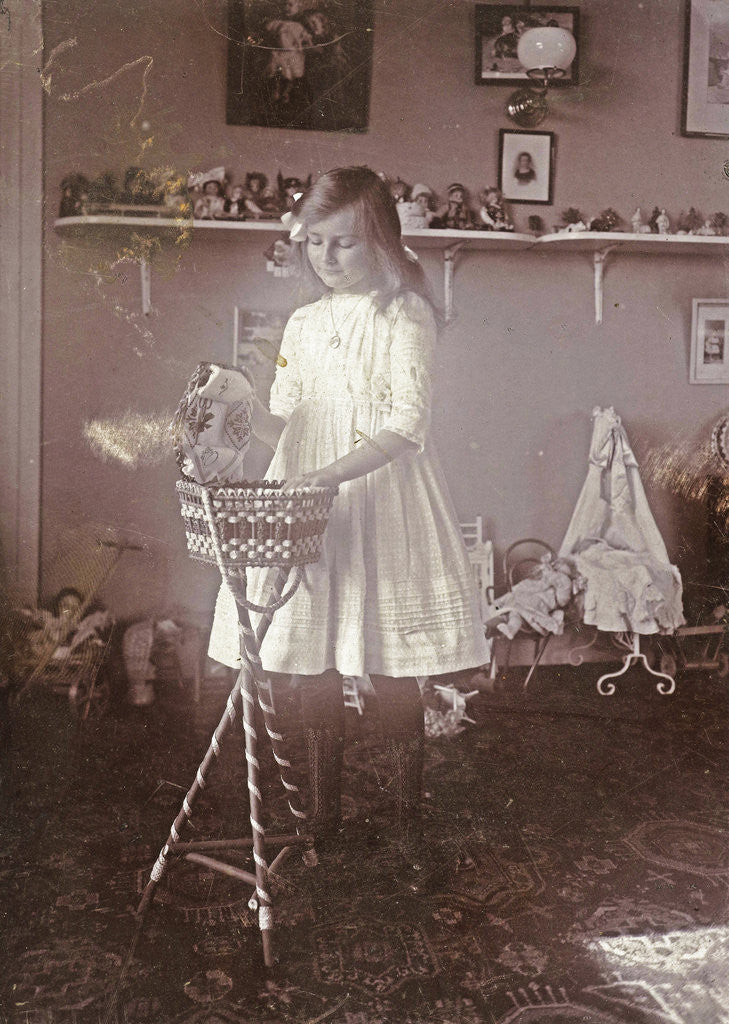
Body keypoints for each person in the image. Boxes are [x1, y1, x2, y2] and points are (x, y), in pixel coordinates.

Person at [208, 166, 489, 886]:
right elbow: (289, 421)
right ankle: (320, 824)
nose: (326, 259)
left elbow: (405, 425)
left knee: (392, 677)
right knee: (309, 671)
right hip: (305, 507)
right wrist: (231, 411)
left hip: (379, 496)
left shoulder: (404, 315)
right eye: (314, 244)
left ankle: (404, 833)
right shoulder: (302, 324)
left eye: (344, 244)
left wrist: (325, 477)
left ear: (383, 243)